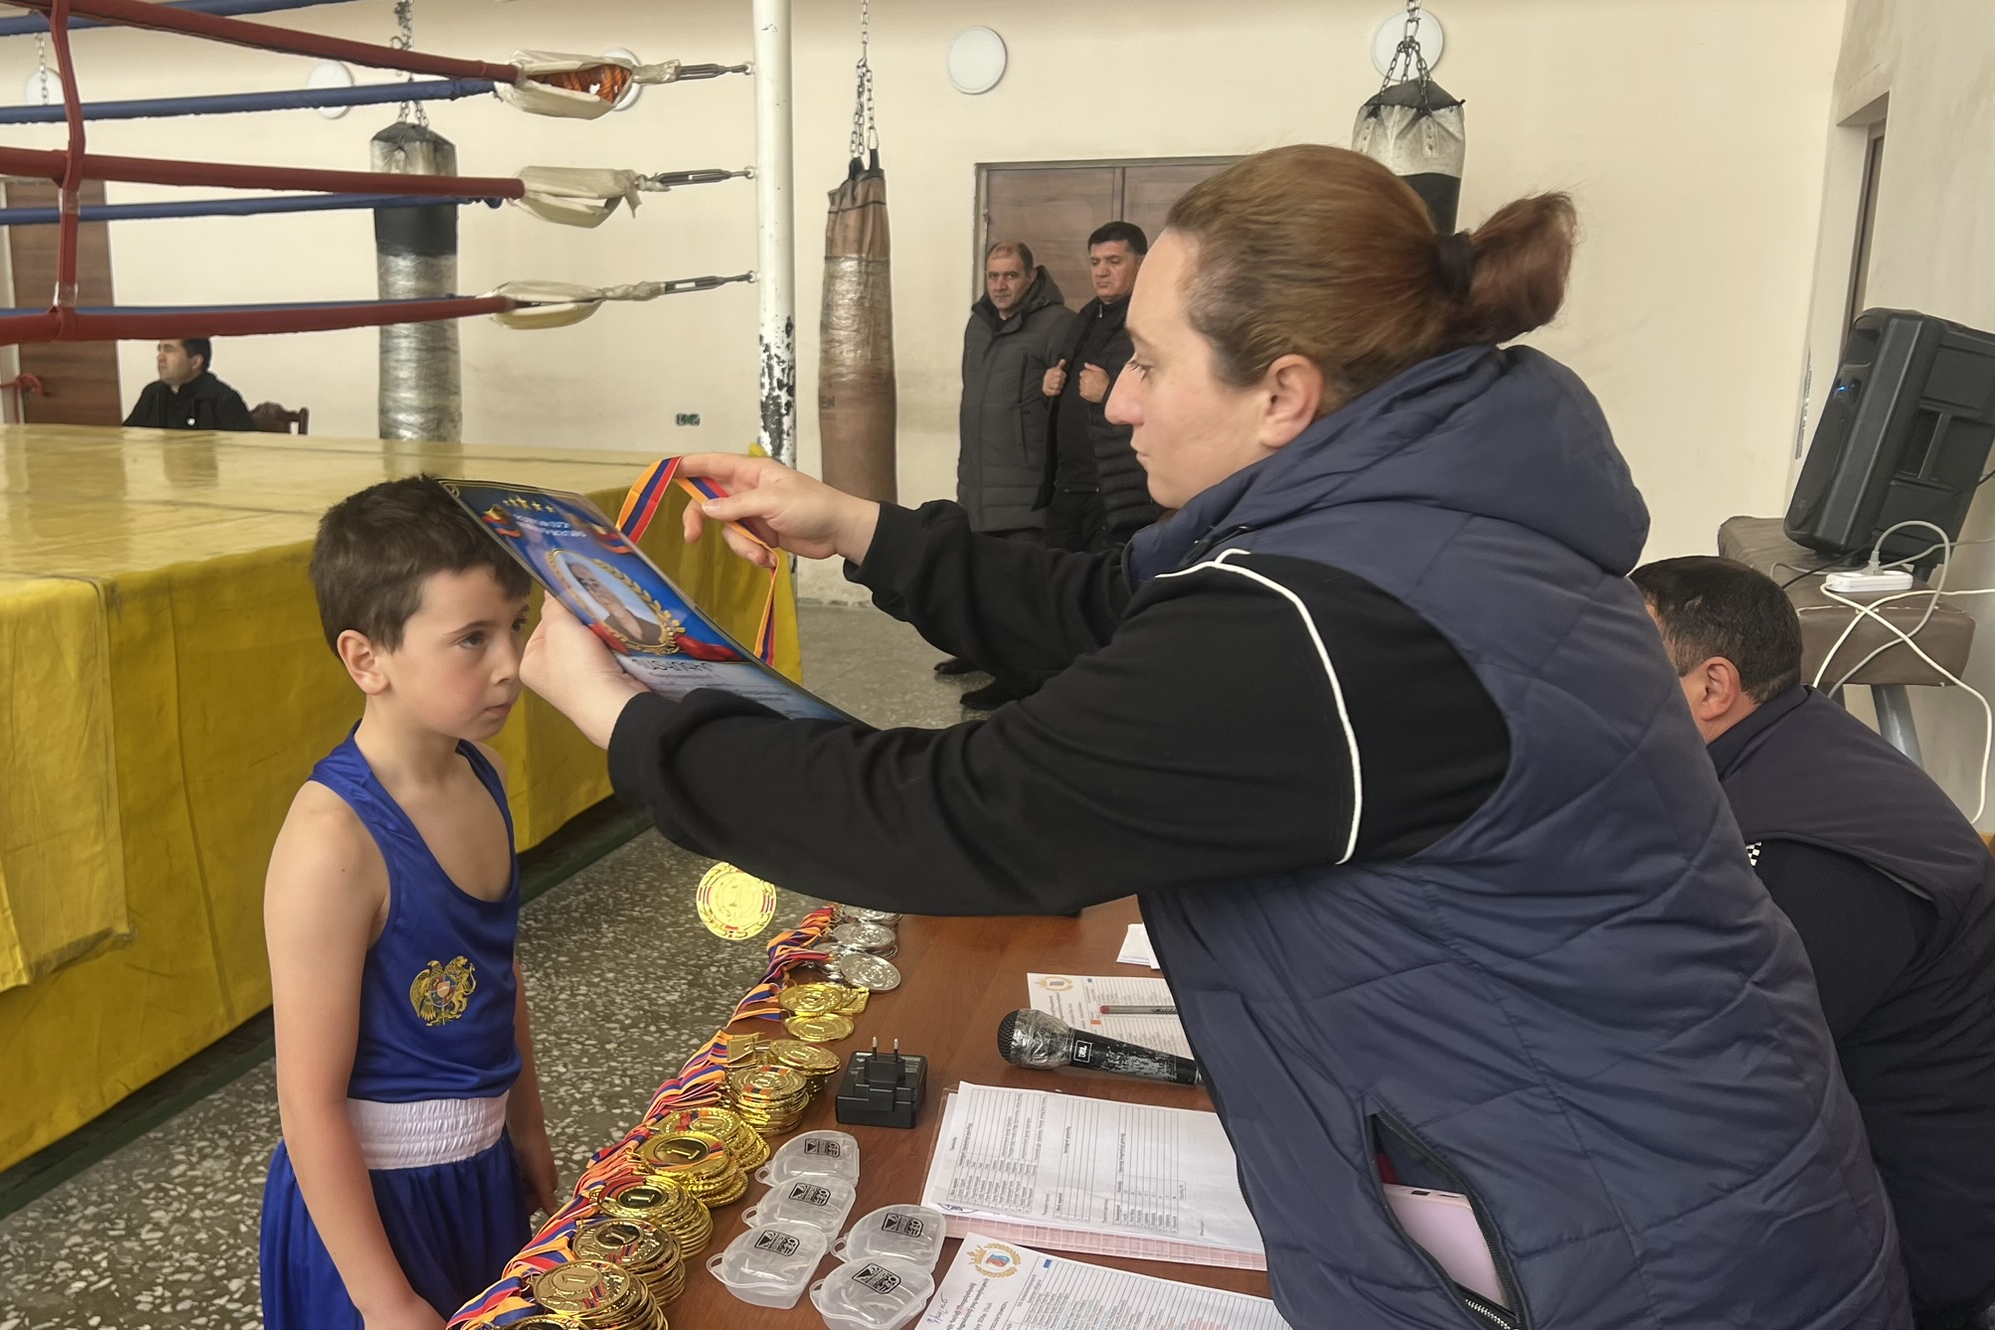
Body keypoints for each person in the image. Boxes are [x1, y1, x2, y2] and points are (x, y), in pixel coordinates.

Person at [519, 145, 1908, 1329]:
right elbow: (1111, 610)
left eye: (1149, 362)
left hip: (1635, 1260)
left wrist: (625, 716)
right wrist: (858, 527)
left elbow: (956, 814)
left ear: (1284, 395)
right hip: (1656, 1188)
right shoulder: (1412, 517)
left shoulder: (1337, 624)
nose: (1115, 397)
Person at [1633, 554, 1995, 1330]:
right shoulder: (1794, 743)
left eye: (1619, 664)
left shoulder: (1803, 854)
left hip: (1906, 1244)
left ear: (1713, 687)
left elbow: (1721, 1083)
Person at [260, 475, 559, 1330]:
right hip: (369, 1216)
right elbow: (308, 1104)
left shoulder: (483, 770)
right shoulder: (332, 845)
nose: (511, 664)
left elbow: (498, 975)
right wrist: (385, 1300)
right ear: (367, 660)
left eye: (516, 626)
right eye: (472, 639)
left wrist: (526, 1131)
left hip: (481, 1177)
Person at [950, 241, 1078, 707]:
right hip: (979, 478)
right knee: (979, 577)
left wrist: (1052, 390)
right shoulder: (978, 324)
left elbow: (1074, 400)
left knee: (1017, 589)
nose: (1000, 285)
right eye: (993, 276)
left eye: (1010, 275)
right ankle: (982, 654)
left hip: (1024, 483)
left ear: (1031, 277)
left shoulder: (1058, 324)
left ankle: (1021, 677)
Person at [1038, 221, 1156, 552]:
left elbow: (1171, 401)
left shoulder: (1151, 322)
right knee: (1058, 576)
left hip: (1117, 493)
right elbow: (1071, 390)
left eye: (1114, 261)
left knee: (1108, 578)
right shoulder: (1087, 316)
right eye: (1095, 262)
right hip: (1068, 486)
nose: (1102, 271)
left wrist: (1108, 394)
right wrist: (1051, 387)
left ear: (1141, 264)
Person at [123, 337, 254, 431]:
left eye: (169, 350)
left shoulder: (224, 400)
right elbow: (127, 440)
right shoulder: (152, 394)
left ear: (195, 362)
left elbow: (245, 453)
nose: (160, 357)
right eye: (160, 349)